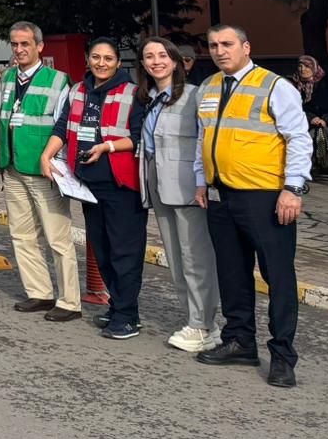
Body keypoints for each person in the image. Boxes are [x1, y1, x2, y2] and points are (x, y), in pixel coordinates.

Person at [193, 23, 312, 387]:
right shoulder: (209, 87)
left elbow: (298, 138)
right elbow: (203, 139)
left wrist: (293, 189)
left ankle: (282, 356)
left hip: (265, 197)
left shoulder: (275, 86)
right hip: (220, 196)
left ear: (246, 46)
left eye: (227, 44)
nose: (219, 50)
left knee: (277, 276)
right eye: (213, 45)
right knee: (232, 273)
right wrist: (201, 180)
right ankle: (240, 341)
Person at [38, 37, 146, 339]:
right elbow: (63, 128)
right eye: (96, 57)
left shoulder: (133, 93)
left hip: (122, 186)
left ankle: (128, 315)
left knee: (125, 252)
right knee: (103, 250)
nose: (101, 63)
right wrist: (47, 154)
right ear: (88, 59)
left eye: (108, 58)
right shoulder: (78, 90)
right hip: (88, 186)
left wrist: (107, 147)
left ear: (117, 62)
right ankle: (118, 305)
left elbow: (138, 138)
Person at [0, 21, 81, 322]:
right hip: (13, 167)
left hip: (43, 170)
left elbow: (63, 127)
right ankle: (39, 293)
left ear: (39, 46)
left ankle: (70, 301)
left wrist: (54, 161)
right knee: (22, 234)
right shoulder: (5, 80)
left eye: (25, 44)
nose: (19, 50)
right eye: (14, 44)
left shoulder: (58, 81)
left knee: (57, 237)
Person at [136, 36, 218, 352]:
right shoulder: (150, 97)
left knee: (195, 256)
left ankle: (204, 324)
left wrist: (202, 183)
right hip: (157, 182)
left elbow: (204, 143)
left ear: (175, 60)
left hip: (188, 186)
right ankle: (195, 319)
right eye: (148, 56)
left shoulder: (194, 96)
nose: (156, 61)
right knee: (175, 257)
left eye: (162, 55)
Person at [298, 54, 328, 174]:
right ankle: (302, 174)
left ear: (314, 67)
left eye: (307, 66)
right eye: (300, 66)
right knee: (301, 140)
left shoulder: (326, 81)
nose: (303, 69)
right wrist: (311, 117)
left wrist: (326, 119)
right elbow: (295, 106)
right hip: (308, 121)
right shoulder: (295, 83)